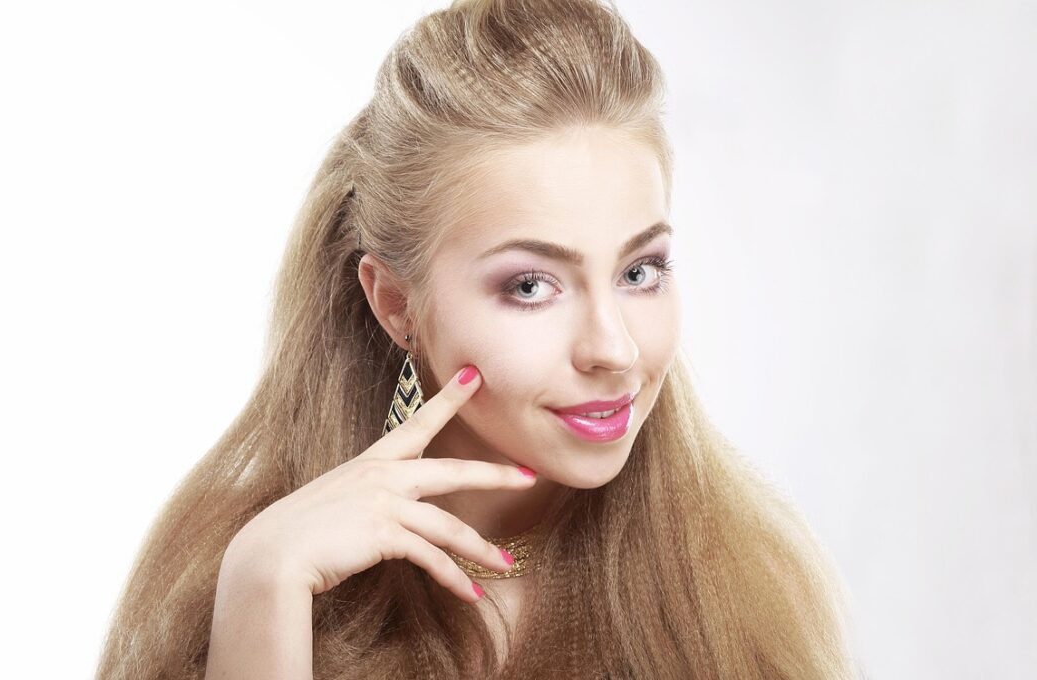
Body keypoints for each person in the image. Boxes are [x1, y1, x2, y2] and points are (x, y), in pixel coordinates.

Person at [96, 0, 858, 677]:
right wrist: (262, 591)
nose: (614, 349)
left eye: (640, 271)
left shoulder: (744, 589)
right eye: (531, 286)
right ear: (396, 303)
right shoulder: (241, 567)